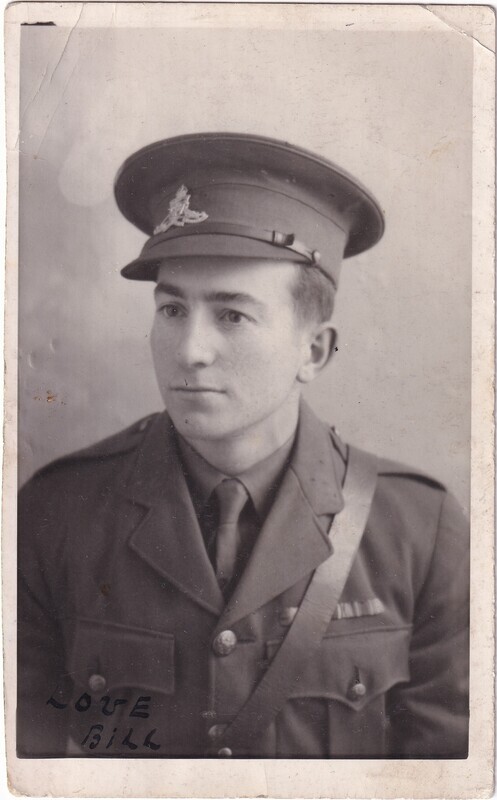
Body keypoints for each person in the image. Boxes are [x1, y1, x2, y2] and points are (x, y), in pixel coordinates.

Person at [17, 132, 469, 759]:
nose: (190, 350)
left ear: (313, 351)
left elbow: (450, 774)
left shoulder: (420, 532)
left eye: (231, 315)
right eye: (172, 310)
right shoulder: (55, 513)